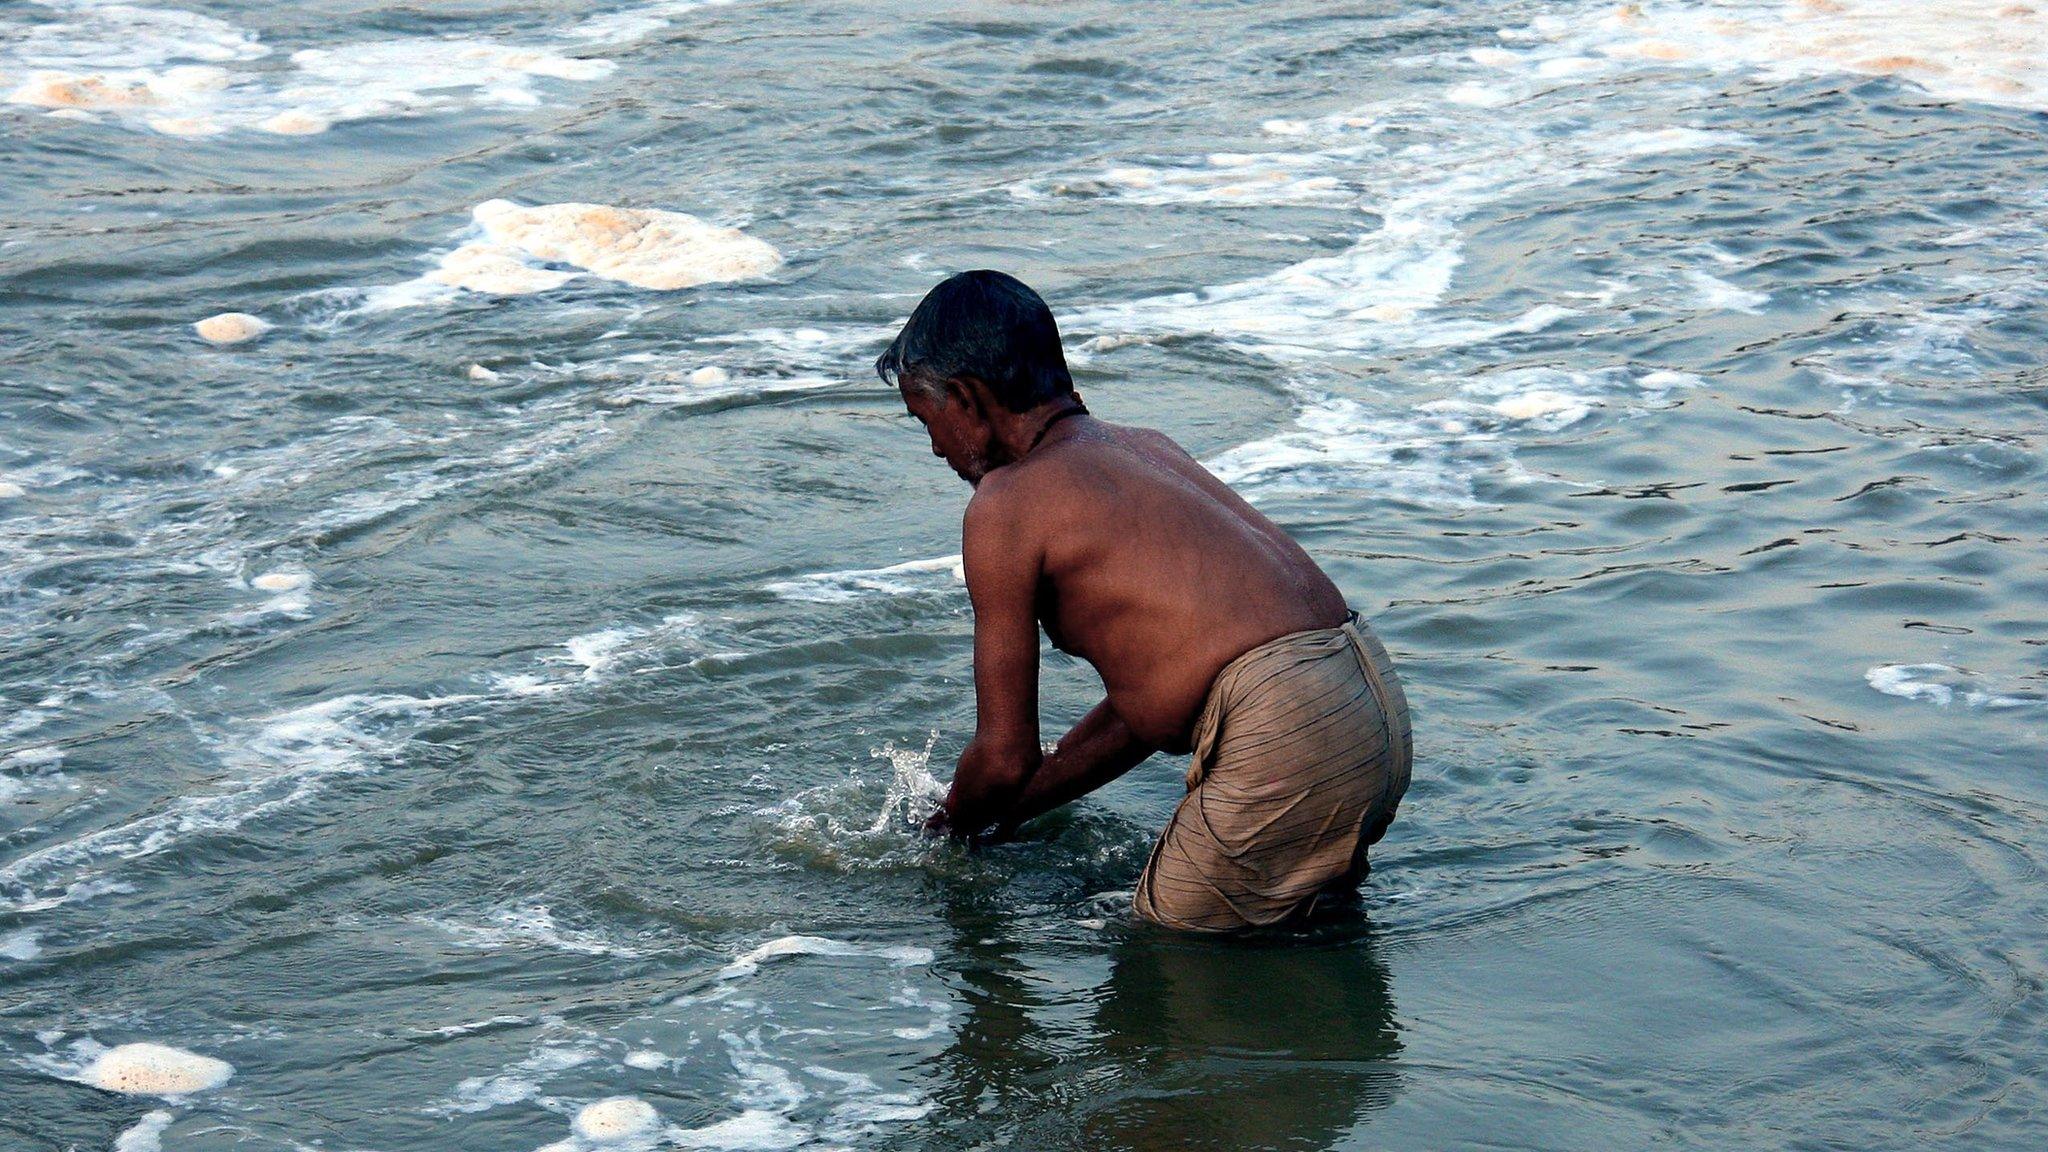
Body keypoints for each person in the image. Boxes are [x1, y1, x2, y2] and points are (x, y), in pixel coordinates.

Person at [877, 269, 1411, 932]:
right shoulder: (1146, 448)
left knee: (1158, 968)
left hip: (1282, 727)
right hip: (1368, 698)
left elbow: (1004, 753)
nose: (933, 446)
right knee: (1293, 931)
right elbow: (1146, 709)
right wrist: (1012, 812)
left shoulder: (1006, 504)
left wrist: (943, 828)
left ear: (968, 398)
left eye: (926, 418)